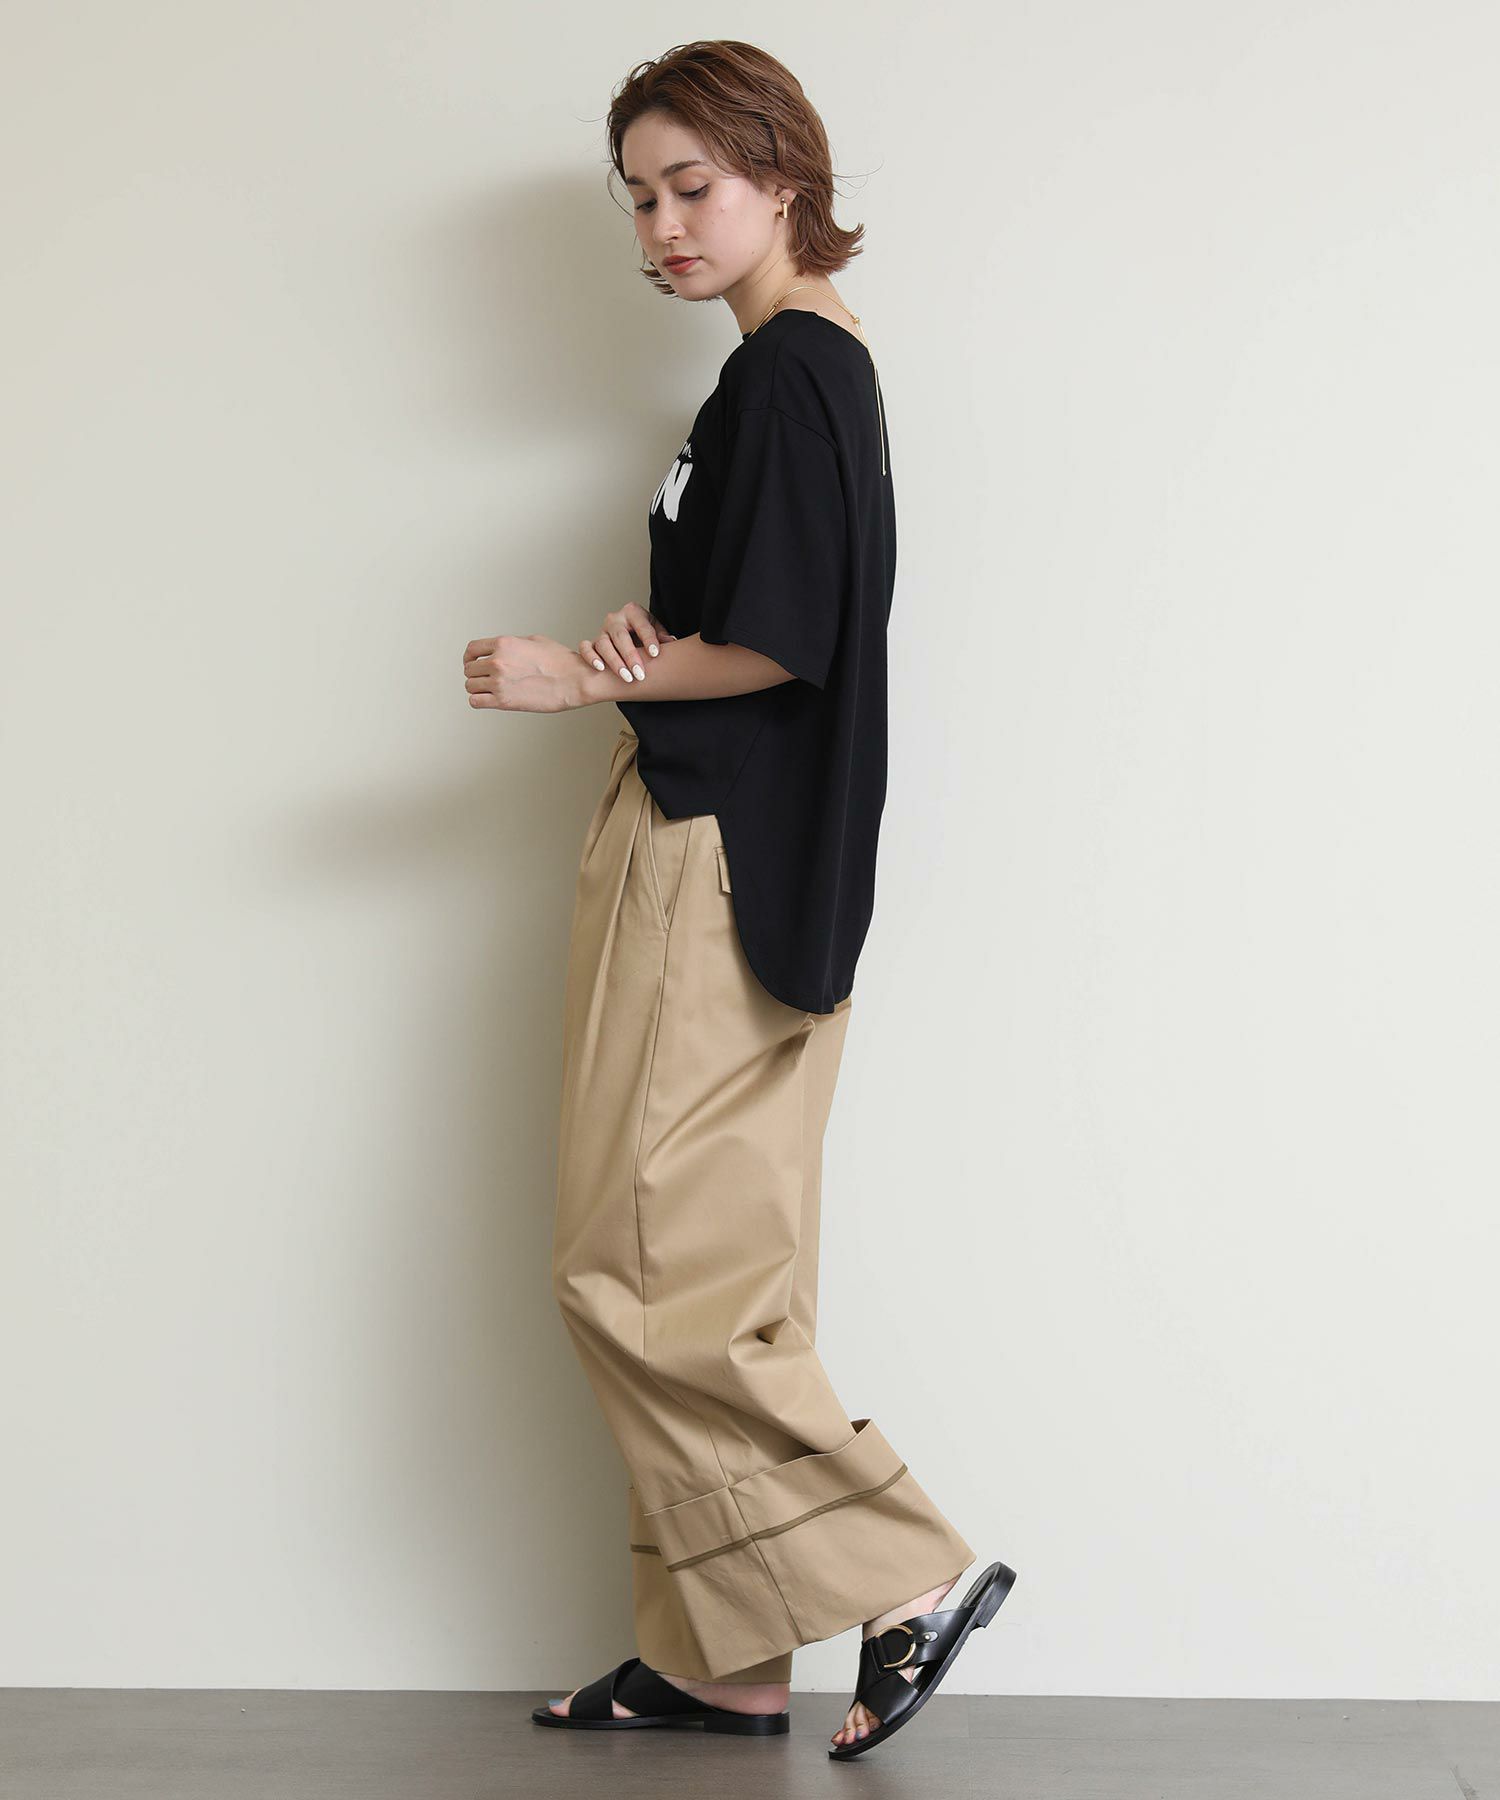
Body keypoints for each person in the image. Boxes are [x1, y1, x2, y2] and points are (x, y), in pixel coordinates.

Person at [463, 39, 1015, 1761]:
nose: (663, 224)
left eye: (693, 184)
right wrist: (654, 647)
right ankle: (722, 1660)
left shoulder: (787, 373)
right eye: (639, 196)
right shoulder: (810, 370)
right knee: (714, 1265)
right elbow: (760, 627)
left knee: (635, 1266)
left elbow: (782, 642)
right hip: (759, 850)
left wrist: (577, 675)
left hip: (713, 854)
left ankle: (904, 1572)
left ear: (785, 173)